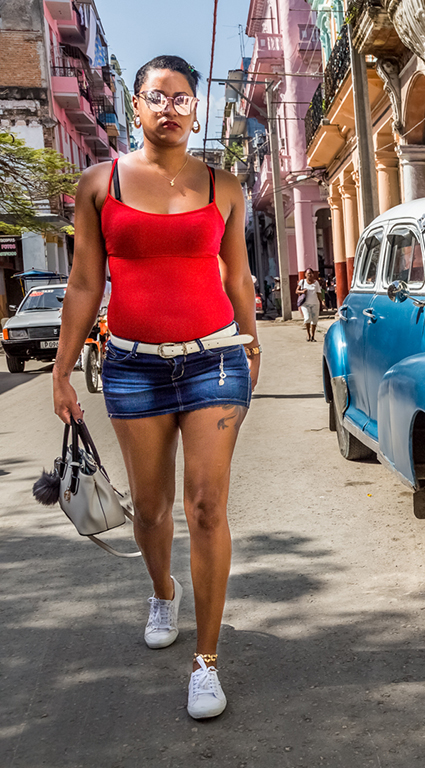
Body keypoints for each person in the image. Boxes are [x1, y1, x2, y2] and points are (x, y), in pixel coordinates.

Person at [51, 55, 260, 720]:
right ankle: (163, 591)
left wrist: (252, 341)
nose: (169, 107)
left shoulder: (223, 185)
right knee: (150, 510)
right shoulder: (98, 183)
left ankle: (206, 662)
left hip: (214, 361)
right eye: (155, 97)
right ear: (134, 108)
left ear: (195, 108)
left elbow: (238, 277)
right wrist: (60, 368)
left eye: (181, 97)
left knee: (205, 507)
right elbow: (86, 283)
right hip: (132, 365)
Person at [296, 268, 322, 341]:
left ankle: (313, 336)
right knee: (307, 318)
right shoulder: (302, 282)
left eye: (311, 273)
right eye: (308, 274)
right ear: (305, 275)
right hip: (305, 304)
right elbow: (296, 291)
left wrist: (322, 302)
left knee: (314, 320)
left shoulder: (316, 283)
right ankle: (308, 334)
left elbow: (319, 293)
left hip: (315, 303)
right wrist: (302, 291)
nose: (310, 275)